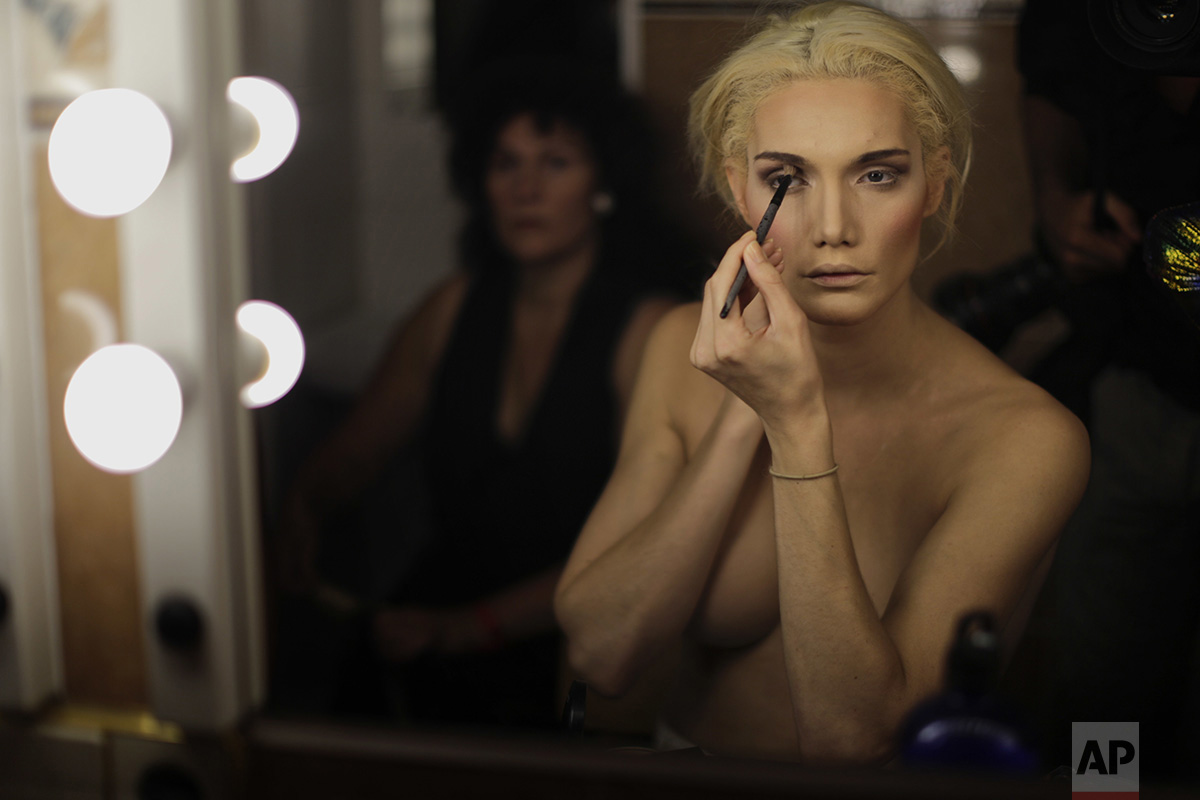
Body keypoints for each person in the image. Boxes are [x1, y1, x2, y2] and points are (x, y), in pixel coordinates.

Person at [554, 1, 1090, 763]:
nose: (834, 225)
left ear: (934, 186)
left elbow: (855, 743)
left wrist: (799, 422)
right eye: (788, 179)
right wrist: (748, 412)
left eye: (877, 174)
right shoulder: (682, 348)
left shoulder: (1022, 439)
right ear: (743, 193)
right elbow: (602, 655)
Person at [274, 59, 700, 731]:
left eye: (555, 163)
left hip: (574, 632)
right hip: (434, 613)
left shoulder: (649, 331)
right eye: (506, 164)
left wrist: (467, 630)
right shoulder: (452, 308)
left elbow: (648, 550)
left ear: (604, 185)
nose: (526, 187)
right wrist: (302, 506)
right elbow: (356, 452)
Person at [1017, 0, 1200, 778]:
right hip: (1133, 377)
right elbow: (1051, 86)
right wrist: (1057, 202)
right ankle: (1104, 799)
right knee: (1102, 685)